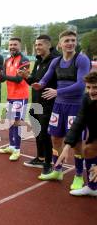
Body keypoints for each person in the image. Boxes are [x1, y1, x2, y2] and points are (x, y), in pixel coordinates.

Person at [33, 30, 91, 190]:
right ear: (60, 44)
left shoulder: (82, 59)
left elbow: (81, 85)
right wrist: (41, 84)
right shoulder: (56, 61)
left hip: (76, 107)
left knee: (77, 143)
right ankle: (58, 170)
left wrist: (58, 92)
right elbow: (47, 76)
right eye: (67, 41)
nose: (70, 43)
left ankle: (79, 175)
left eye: (73, 40)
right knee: (56, 139)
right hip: (58, 106)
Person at [20, 35, 60, 173]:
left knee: (45, 133)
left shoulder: (55, 61)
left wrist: (29, 77)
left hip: (48, 103)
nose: (37, 47)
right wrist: (26, 77)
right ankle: (40, 157)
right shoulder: (38, 61)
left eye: (40, 45)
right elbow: (35, 83)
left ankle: (48, 164)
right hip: (36, 102)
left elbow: (47, 82)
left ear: (48, 45)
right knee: (37, 131)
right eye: (36, 45)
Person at [56, 71, 97, 196]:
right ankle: (93, 188)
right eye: (88, 87)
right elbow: (78, 123)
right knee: (88, 150)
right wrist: (66, 147)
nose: (91, 91)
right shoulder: (86, 99)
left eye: (95, 87)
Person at [0, 38, 30, 161]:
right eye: (10, 45)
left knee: (16, 122)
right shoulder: (8, 60)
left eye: (15, 45)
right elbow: (3, 78)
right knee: (10, 122)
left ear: (20, 46)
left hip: (20, 96)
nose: (12, 47)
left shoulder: (24, 60)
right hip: (10, 96)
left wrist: (2, 75)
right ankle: (11, 146)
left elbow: (19, 79)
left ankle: (17, 149)